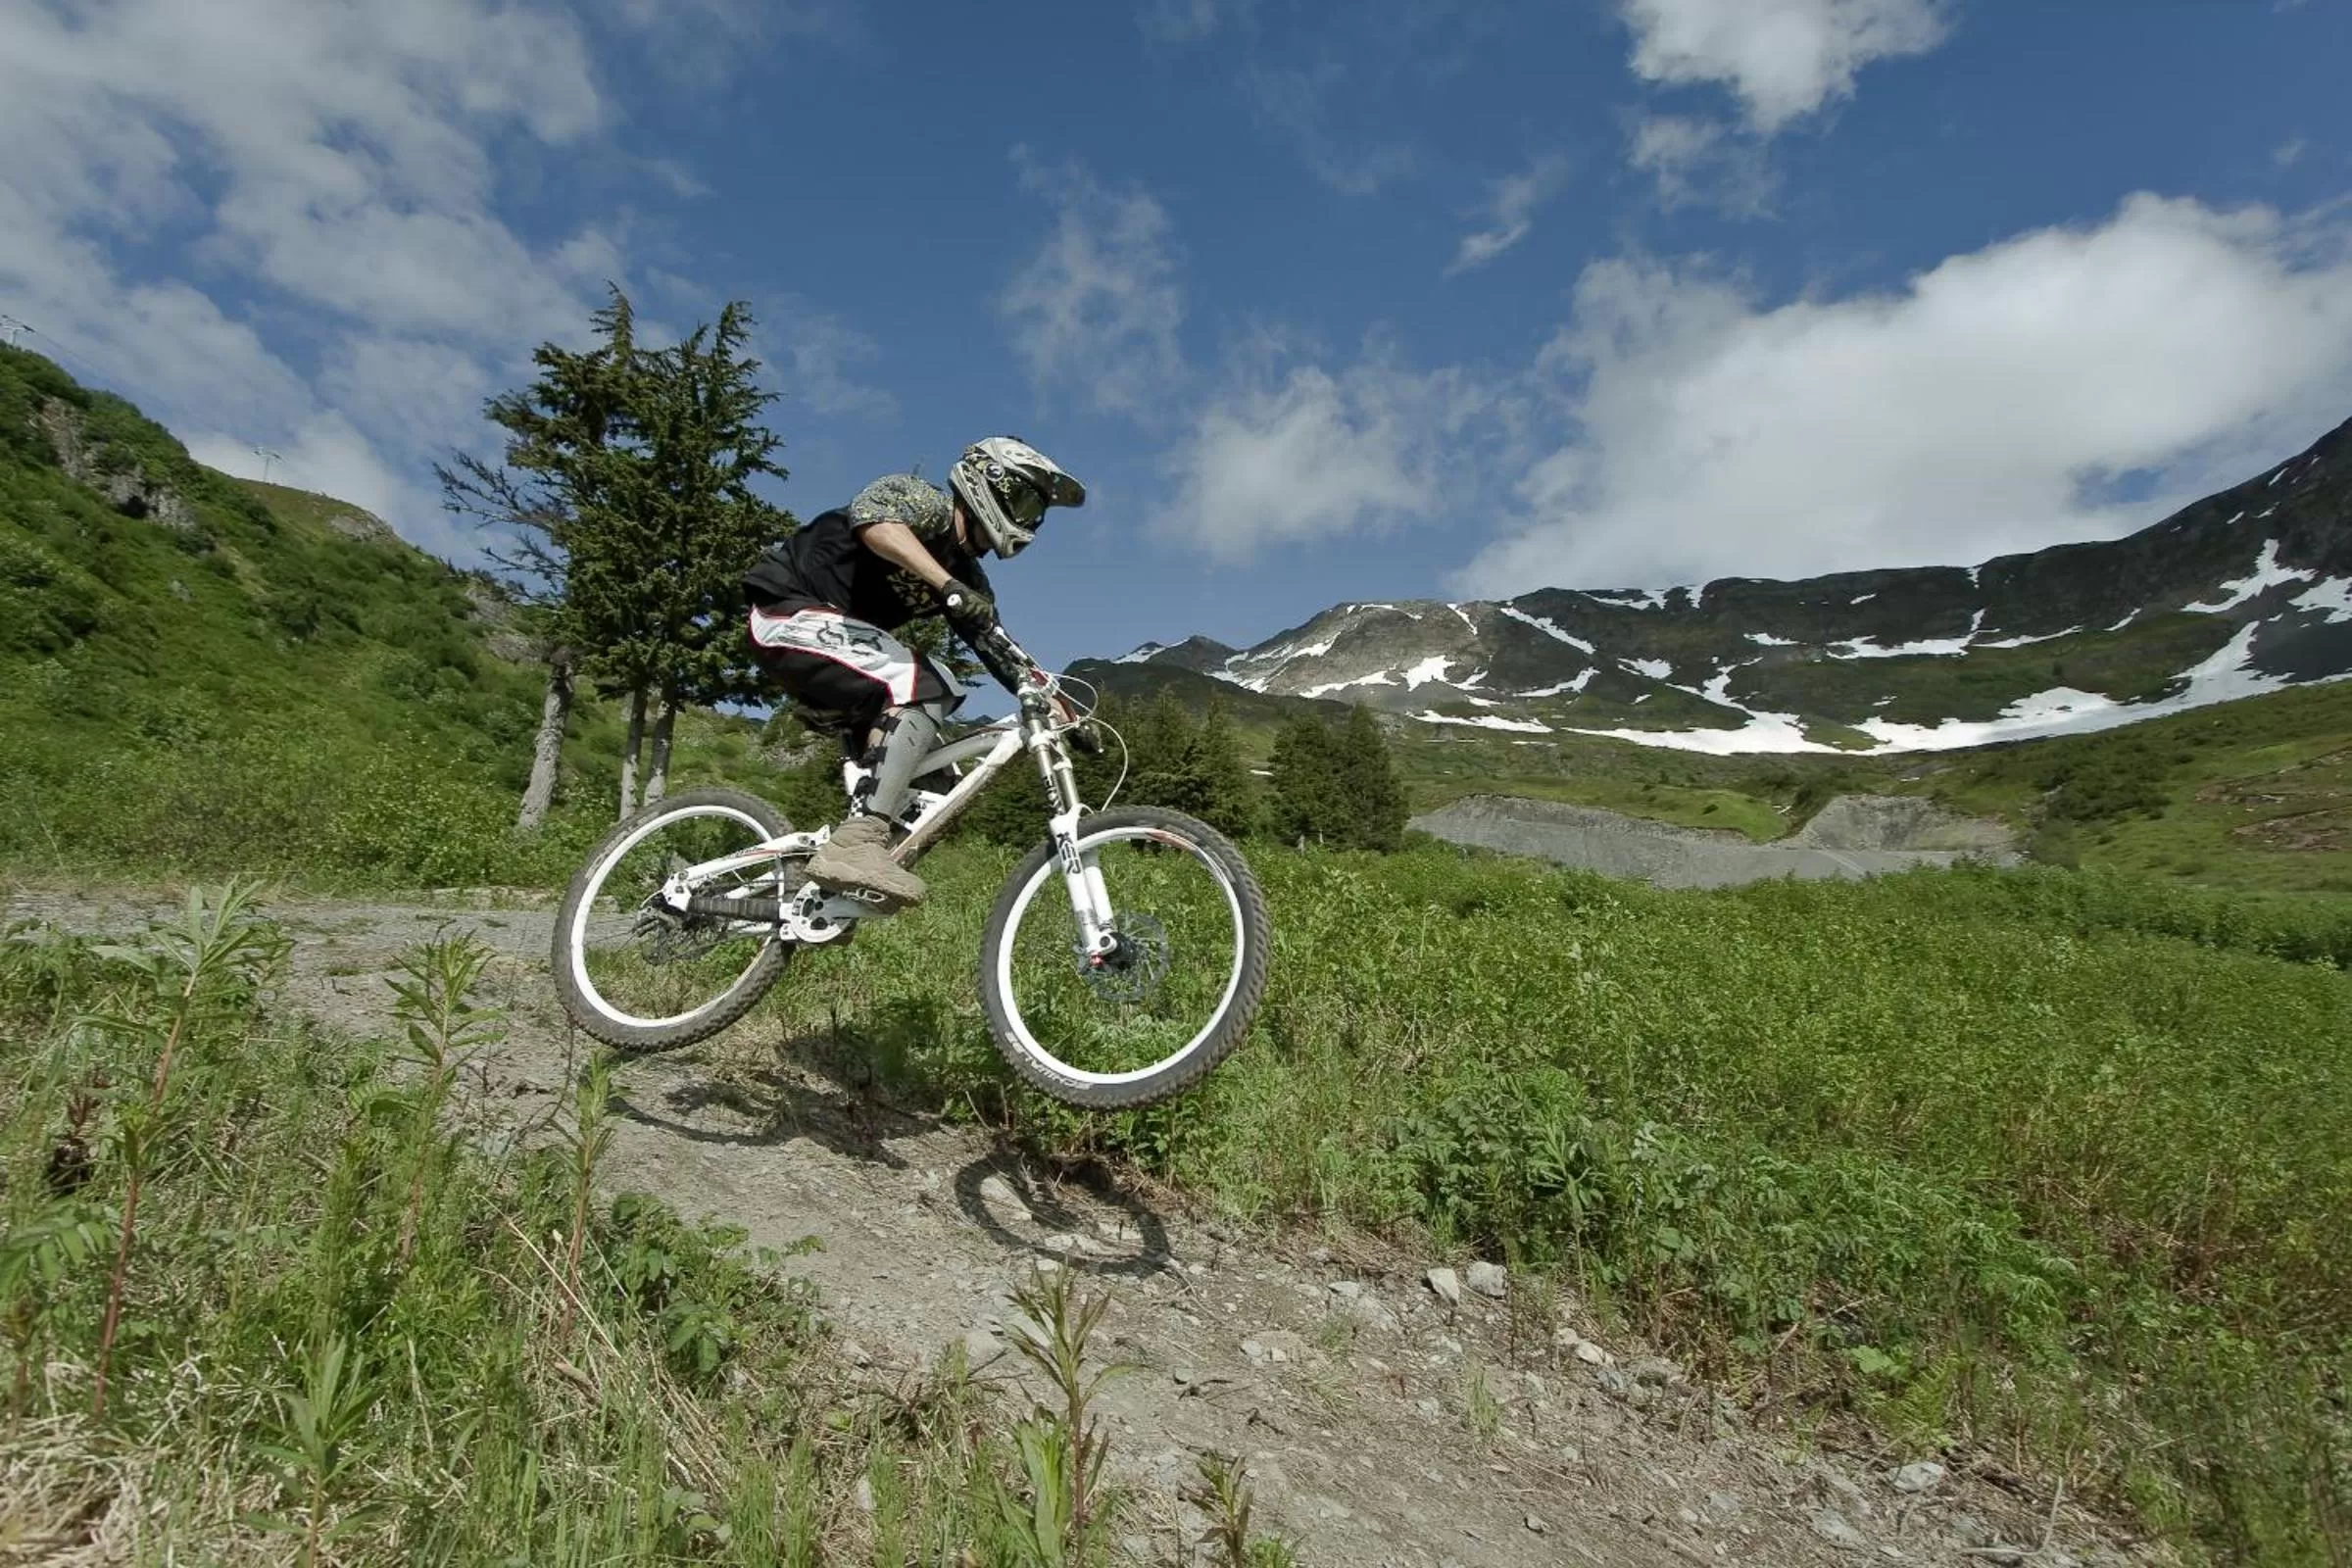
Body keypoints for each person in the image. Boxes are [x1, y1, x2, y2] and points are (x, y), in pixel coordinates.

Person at [741, 436, 1085, 908]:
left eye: (1036, 514)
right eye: (1025, 502)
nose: (1029, 522)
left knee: (936, 786)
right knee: (925, 685)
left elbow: (997, 647)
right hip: (787, 613)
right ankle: (856, 843)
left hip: (840, 655)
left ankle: (826, 897)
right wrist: (944, 584)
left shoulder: (968, 578)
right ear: (990, 482)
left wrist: (1057, 702)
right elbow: (874, 522)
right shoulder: (927, 506)